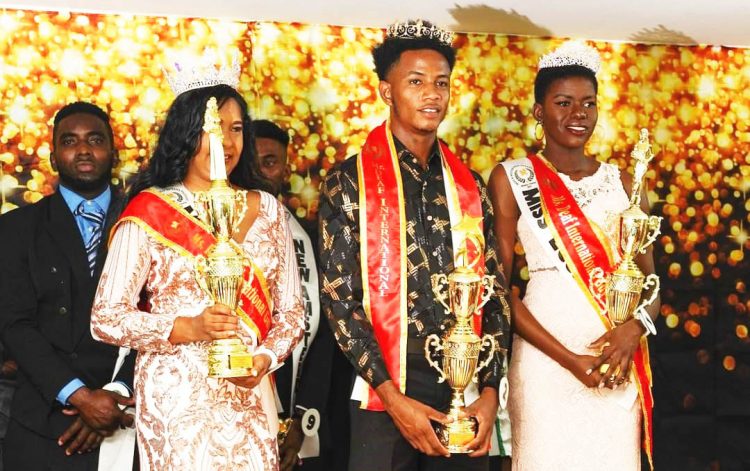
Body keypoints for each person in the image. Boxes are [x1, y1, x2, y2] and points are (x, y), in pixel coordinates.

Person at [90, 56, 305, 470]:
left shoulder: (270, 212)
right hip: (176, 401)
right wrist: (185, 328)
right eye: (212, 127)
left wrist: (264, 360)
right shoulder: (150, 210)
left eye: (236, 128)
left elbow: (292, 313)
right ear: (187, 132)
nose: (226, 140)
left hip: (249, 395)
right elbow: (106, 316)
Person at [319, 19, 510, 471]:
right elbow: (340, 301)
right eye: (417, 82)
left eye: (441, 83)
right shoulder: (349, 182)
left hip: (463, 388)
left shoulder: (470, 186)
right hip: (383, 391)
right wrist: (393, 398)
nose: (432, 94)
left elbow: (495, 293)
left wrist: (487, 393)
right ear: (387, 92)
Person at [487, 40, 660, 470]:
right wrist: (569, 360)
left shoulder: (623, 182)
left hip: (614, 364)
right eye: (563, 102)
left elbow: (651, 284)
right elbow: (500, 287)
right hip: (546, 363)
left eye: (588, 103)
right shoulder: (512, 178)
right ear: (539, 112)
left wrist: (633, 331)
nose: (577, 114)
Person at [0, 102, 136, 470]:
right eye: (70, 141)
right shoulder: (16, 229)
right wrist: (80, 397)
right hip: (44, 422)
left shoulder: (148, 224)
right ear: (53, 157)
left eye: (95, 139)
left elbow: (165, 316)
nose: (84, 149)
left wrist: (113, 395)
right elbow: (15, 324)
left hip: (129, 418)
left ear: (114, 152)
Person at [251, 119, 351, 471]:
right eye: (253, 161)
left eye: (270, 162)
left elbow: (322, 334)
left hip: (297, 414)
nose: (261, 172)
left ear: (285, 169)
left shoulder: (308, 238)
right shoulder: (216, 234)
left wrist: (302, 417)